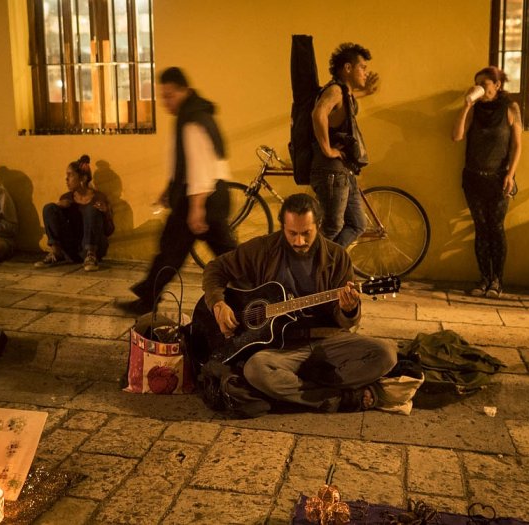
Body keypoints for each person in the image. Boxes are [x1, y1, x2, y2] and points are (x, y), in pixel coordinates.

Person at [202, 193, 397, 412]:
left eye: (306, 233)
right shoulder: (263, 249)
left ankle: (293, 390)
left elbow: (347, 322)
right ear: (283, 226)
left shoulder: (337, 257)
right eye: (292, 233)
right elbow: (215, 269)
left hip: (326, 342)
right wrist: (218, 304)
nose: (299, 241)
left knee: (385, 354)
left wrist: (349, 309)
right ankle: (338, 398)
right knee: (256, 370)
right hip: (281, 349)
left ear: (319, 225)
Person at [119, 67, 236, 315]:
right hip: (200, 195)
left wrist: (197, 208)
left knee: (220, 255)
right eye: (162, 96)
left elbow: (201, 166)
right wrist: (169, 189)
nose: (165, 102)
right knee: (175, 251)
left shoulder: (192, 120)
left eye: (170, 95)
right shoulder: (194, 114)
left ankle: (254, 289)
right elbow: (186, 163)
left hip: (201, 197)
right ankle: (148, 297)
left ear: (185, 91)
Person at [452, 66, 522, 298]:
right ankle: (483, 279)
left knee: (496, 228)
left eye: (485, 83)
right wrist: (465, 106)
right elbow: (457, 136)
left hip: (498, 178)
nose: (481, 88)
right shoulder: (474, 110)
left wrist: (510, 175)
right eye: (477, 84)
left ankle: (497, 281)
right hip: (473, 178)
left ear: (497, 85)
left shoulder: (511, 109)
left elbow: (517, 146)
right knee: (481, 229)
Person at [310, 42, 379, 247]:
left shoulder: (343, 92)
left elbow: (345, 101)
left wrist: (366, 92)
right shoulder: (335, 91)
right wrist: (327, 149)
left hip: (344, 171)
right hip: (331, 170)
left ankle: (328, 266)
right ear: (348, 68)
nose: (365, 72)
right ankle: (307, 270)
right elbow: (318, 113)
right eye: (362, 67)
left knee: (357, 224)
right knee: (333, 226)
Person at [34, 154, 114, 272]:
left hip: (94, 250)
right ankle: (56, 253)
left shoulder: (98, 197)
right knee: (49, 208)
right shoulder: (67, 198)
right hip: (71, 249)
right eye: (66, 175)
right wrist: (57, 207)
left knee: (91, 209)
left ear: (83, 179)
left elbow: (109, 231)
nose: (66, 179)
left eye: (70, 175)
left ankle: (90, 255)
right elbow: (59, 226)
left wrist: (106, 213)